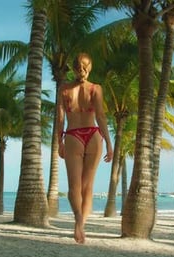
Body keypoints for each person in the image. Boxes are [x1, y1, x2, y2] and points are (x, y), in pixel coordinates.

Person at [57, 53, 113, 244]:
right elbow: (101, 117)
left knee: (76, 186)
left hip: (74, 135)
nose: (82, 71)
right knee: (85, 186)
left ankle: (78, 221)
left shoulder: (64, 89)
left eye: (83, 68)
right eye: (82, 68)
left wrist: (59, 142)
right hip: (92, 135)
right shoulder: (95, 89)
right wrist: (108, 143)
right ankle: (81, 223)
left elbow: (60, 119)